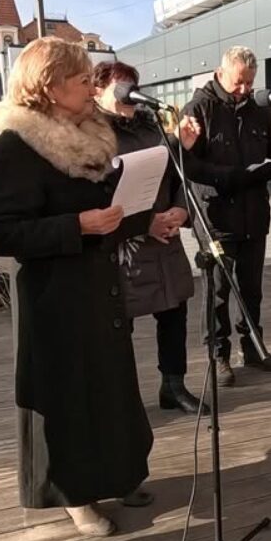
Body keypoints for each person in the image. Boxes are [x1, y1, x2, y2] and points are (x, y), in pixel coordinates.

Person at [0, 37, 154, 539]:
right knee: (69, 399)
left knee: (110, 387)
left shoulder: (91, 135)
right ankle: (74, 495)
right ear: (50, 87)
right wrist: (77, 226)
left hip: (99, 286)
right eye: (81, 79)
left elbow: (104, 212)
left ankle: (120, 474)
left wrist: (141, 220)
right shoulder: (18, 147)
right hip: (54, 295)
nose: (90, 86)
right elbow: (0, 233)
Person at [93, 61, 207, 415]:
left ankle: (173, 386)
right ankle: (121, 398)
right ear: (97, 90)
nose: (129, 90)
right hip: (123, 245)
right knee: (118, 324)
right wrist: (145, 223)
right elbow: (97, 194)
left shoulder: (152, 126)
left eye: (132, 83)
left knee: (174, 313)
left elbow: (178, 176)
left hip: (165, 239)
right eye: (120, 84)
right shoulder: (91, 134)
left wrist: (181, 210)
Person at [180, 46, 271, 386]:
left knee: (252, 289)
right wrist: (226, 176)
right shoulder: (199, 108)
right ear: (221, 72)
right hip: (216, 218)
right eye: (239, 82)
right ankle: (218, 356)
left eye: (250, 82)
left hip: (254, 214)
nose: (244, 89)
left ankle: (253, 347)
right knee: (218, 291)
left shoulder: (258, 110)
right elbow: (186, 164)